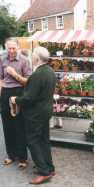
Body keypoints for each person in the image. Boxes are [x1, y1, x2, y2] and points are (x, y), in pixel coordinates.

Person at [11, 46, 56, 185]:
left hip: (36, 114)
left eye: (33, 55)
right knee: (43, 140)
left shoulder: (38, 74)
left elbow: (29, 98)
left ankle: (44, 172)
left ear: (36, 57)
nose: (31, 57)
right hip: (45, 111)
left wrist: (15, 99)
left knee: (33, 141)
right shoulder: (50, 71)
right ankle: (49, 167)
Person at [0, 38, 32, 168]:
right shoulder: (2, 59)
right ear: (6, 48)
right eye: (9, 48)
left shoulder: (24, 60)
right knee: (7, 125)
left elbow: (28, 82)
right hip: (5, 93)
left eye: (14, 48)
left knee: (19, 125)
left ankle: (23, 157)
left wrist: (14, 74)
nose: (11, 51)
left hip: (19, 93)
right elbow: (1, 78)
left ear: (18, 48)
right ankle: (11, 155)